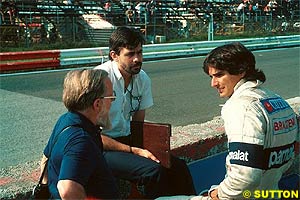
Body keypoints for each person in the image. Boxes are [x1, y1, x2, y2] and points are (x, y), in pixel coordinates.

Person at [157, 42, 298, 200]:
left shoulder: (241, 107)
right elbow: (286, 159)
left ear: (241, 70)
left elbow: (245, 177)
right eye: (211, 77)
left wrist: (218, 195)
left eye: (219, 75)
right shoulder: (277, 101)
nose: (213, 84)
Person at [95, 26, 196, 198]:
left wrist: (150, 147)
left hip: (127, 141)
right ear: (114, 55)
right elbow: (90, 134)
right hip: (101, 147)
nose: (137, 59)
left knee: (177, 166)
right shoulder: (99, 78)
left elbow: (138, 123)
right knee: (153, 171)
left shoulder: (142, 79)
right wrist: (133, 151)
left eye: (140, 53)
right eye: (130, 54)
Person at [41, 69, 120, 199]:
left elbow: (45, 159)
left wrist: (50, 189)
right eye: (111, 98)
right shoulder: (81, 140)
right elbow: (67, 188)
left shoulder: (66, 119)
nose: (112, 103)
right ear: (98, 104)